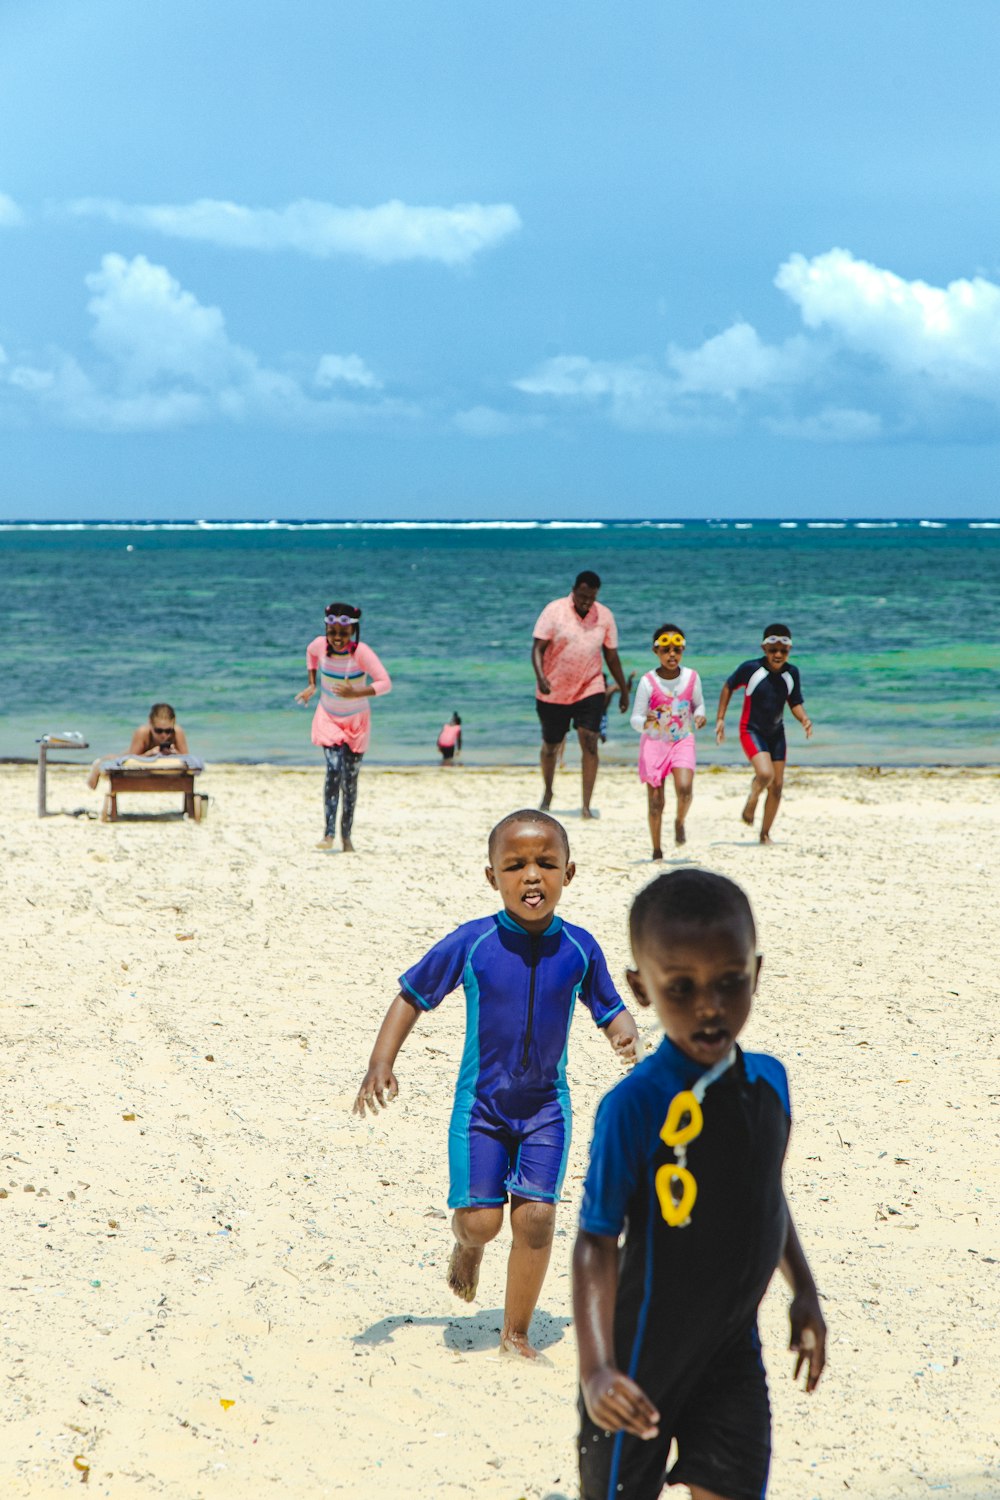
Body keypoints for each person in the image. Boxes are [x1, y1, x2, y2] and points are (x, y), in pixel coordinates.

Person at [574, 868, 826, 1500]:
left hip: (730, 1351)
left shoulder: (770, 1086)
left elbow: (767, 1197)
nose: (710, 1006)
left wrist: (805, 1291)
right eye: (681, 988)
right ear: (642, 987)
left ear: (755, 972)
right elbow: (595, 1242)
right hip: (639, 1361)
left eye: (730, 983)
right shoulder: (634, 1105)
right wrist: (597, 1369)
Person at [353, 809, 639, 1360]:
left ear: (568, 873)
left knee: (536, 1217)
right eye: (515, 866)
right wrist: (380, 1061)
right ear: (492, 877)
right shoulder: (473, 942)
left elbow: (609, 1006)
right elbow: (412, 994)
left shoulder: (579, 948)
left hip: (546, 1109)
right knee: (482, 1223)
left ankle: (515, 1334)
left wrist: (623, 1035)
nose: (532, 877)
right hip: (480, 1108)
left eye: (546, 864)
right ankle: (467, 1250)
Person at [532, 570, 630, 819]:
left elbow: (611, 656)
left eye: (591, 597)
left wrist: (624, 690)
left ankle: (586, 805)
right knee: (551, 746)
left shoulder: (604, 615)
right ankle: (548, 791)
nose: (586, 602)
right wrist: (541, 678)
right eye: (582, 596)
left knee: (589, 741)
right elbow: (537, 649)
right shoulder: (554, 610)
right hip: (553, 690)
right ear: (574, 590)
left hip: (590, 686)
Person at [295, 603, 391, 852]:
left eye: (343, 634)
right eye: (332, 632)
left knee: (350, 781)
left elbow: (385, 683)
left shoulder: (361, 653)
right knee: (333, 770)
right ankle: (328, 834)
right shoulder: (319, 646)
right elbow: (310, 653)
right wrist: (312, 684)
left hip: (356, 722)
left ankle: (346, 836)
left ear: (353, 633)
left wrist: (357, 692)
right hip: (329, 718)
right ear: (326, 630)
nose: (337, 639)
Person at [715, 624, 813, 845]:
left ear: (789, 651)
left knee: (777, 787)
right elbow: (728, 686)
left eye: (783, 651)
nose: (778, 655)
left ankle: (764, 834)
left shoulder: (792, 673)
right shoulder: (751, 669)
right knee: (765, 774)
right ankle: (752, 799)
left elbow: (795, 702)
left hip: (777, 733)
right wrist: (720, 718)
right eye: (772, 650)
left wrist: (804, 719)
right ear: (764, 648)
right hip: (751, 730)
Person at [630, 625, 706, 856]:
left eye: (676, 649)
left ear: (682, 650)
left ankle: (679, 821)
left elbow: (698, 703)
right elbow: (635, 717)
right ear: (656, 652)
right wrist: (645, 721)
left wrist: (700, 715)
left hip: (682, 740)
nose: (671, 654)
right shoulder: (648, 682)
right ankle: (656, 849)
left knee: (684, 789)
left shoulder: (691, 677)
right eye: (666, 650)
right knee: (655, 801)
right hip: (654, 744)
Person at [86, 703, 190, 789]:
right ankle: (97, 765)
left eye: (168, 731)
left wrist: (175, 753)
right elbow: (129, 760)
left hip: (152, 761)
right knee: (117, 759)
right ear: (150, 724)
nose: (164, 735)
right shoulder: (143, 732)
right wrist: (150, 753)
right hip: (140, 753)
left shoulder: (177, 732)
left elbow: (188, 759)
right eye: (158, 731)